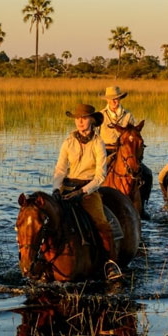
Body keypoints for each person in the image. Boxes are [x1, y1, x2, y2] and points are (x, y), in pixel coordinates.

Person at [52, 104, 121, 281]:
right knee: (48, 220)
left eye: (84, 118)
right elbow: (60, 169)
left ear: (91, 120)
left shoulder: (98, 142)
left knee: (101, 223)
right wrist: (55, 189)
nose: (80, 122)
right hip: (67, 187)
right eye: (77, 118)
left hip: (89, 189)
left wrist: (83, 191)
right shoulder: (68, 141)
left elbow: (100, 175)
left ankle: (111, 264)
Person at [97, 85, 136, 157]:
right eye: (110, 99)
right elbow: (95, 136)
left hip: (124, 151)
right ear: (107, 100)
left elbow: (133, 136)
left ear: (120, 99)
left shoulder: (128, 115)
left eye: (115, 98)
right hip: (104, 151)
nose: (113, 101)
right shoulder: (100, 115)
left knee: (139, 167)